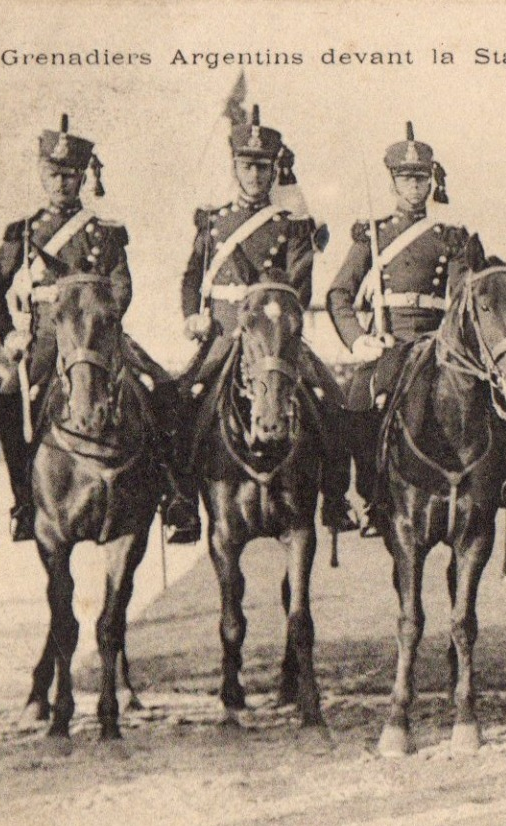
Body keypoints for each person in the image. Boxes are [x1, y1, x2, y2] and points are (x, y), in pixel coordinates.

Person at [0, 114, 188, 542]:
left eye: (71, 176)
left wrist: (100, 315)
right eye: (54, 174)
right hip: (46, 338)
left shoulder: (105, 233)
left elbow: (122, 285)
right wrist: (10, 335)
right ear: (41, 174)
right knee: (5, 398)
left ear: (83, 178)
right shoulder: (23, 233)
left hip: (98, 336)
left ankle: (173, 493)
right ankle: (24, 500)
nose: (62, 184)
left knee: (159, 384)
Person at [175, 105, 356, 534]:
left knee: (331, 398)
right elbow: (190, 278)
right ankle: (181, 502)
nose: (255, 175)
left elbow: (301, 286)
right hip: (222, 335)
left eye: (263, 167)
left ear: (275, 170)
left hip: (275, 339)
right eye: (247, 166)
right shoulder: (214, 224)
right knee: (180, 400)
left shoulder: (290, 227)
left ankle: (334, 499)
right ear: (234, 168)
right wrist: (191, 316)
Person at [326, 122, 485, 537]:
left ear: (432, 182)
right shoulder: (373, 236)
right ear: (392, 182)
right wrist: (359, 338)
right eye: (407, 179)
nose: (415, 187)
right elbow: (339, 293)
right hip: (390, 344)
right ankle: (373, 498)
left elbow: (463, 296)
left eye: (422, 179)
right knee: (355, 405)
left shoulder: (449, 237)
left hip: (437, 345)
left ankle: (494, 490)